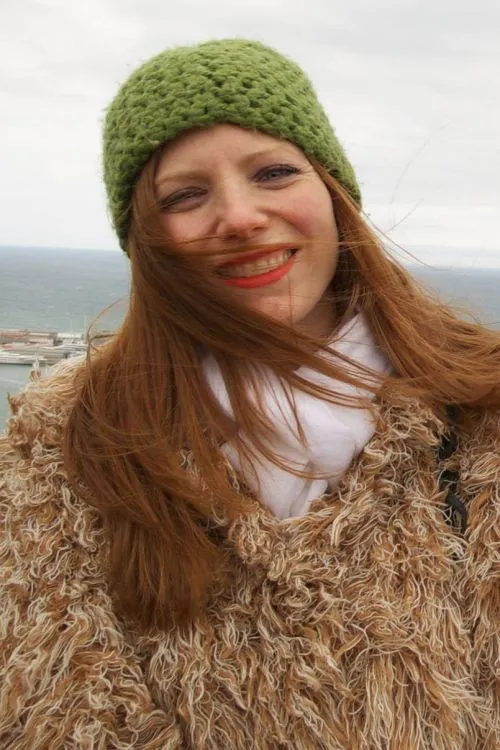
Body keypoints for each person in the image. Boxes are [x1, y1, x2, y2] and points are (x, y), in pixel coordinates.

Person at [0, 38, 498, 750]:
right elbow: (57, 707)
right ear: (145, 238)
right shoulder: (70, 437)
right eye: (185, 195)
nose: (238, 217)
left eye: (273, 172)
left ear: (332, 191)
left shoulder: (478, 407)